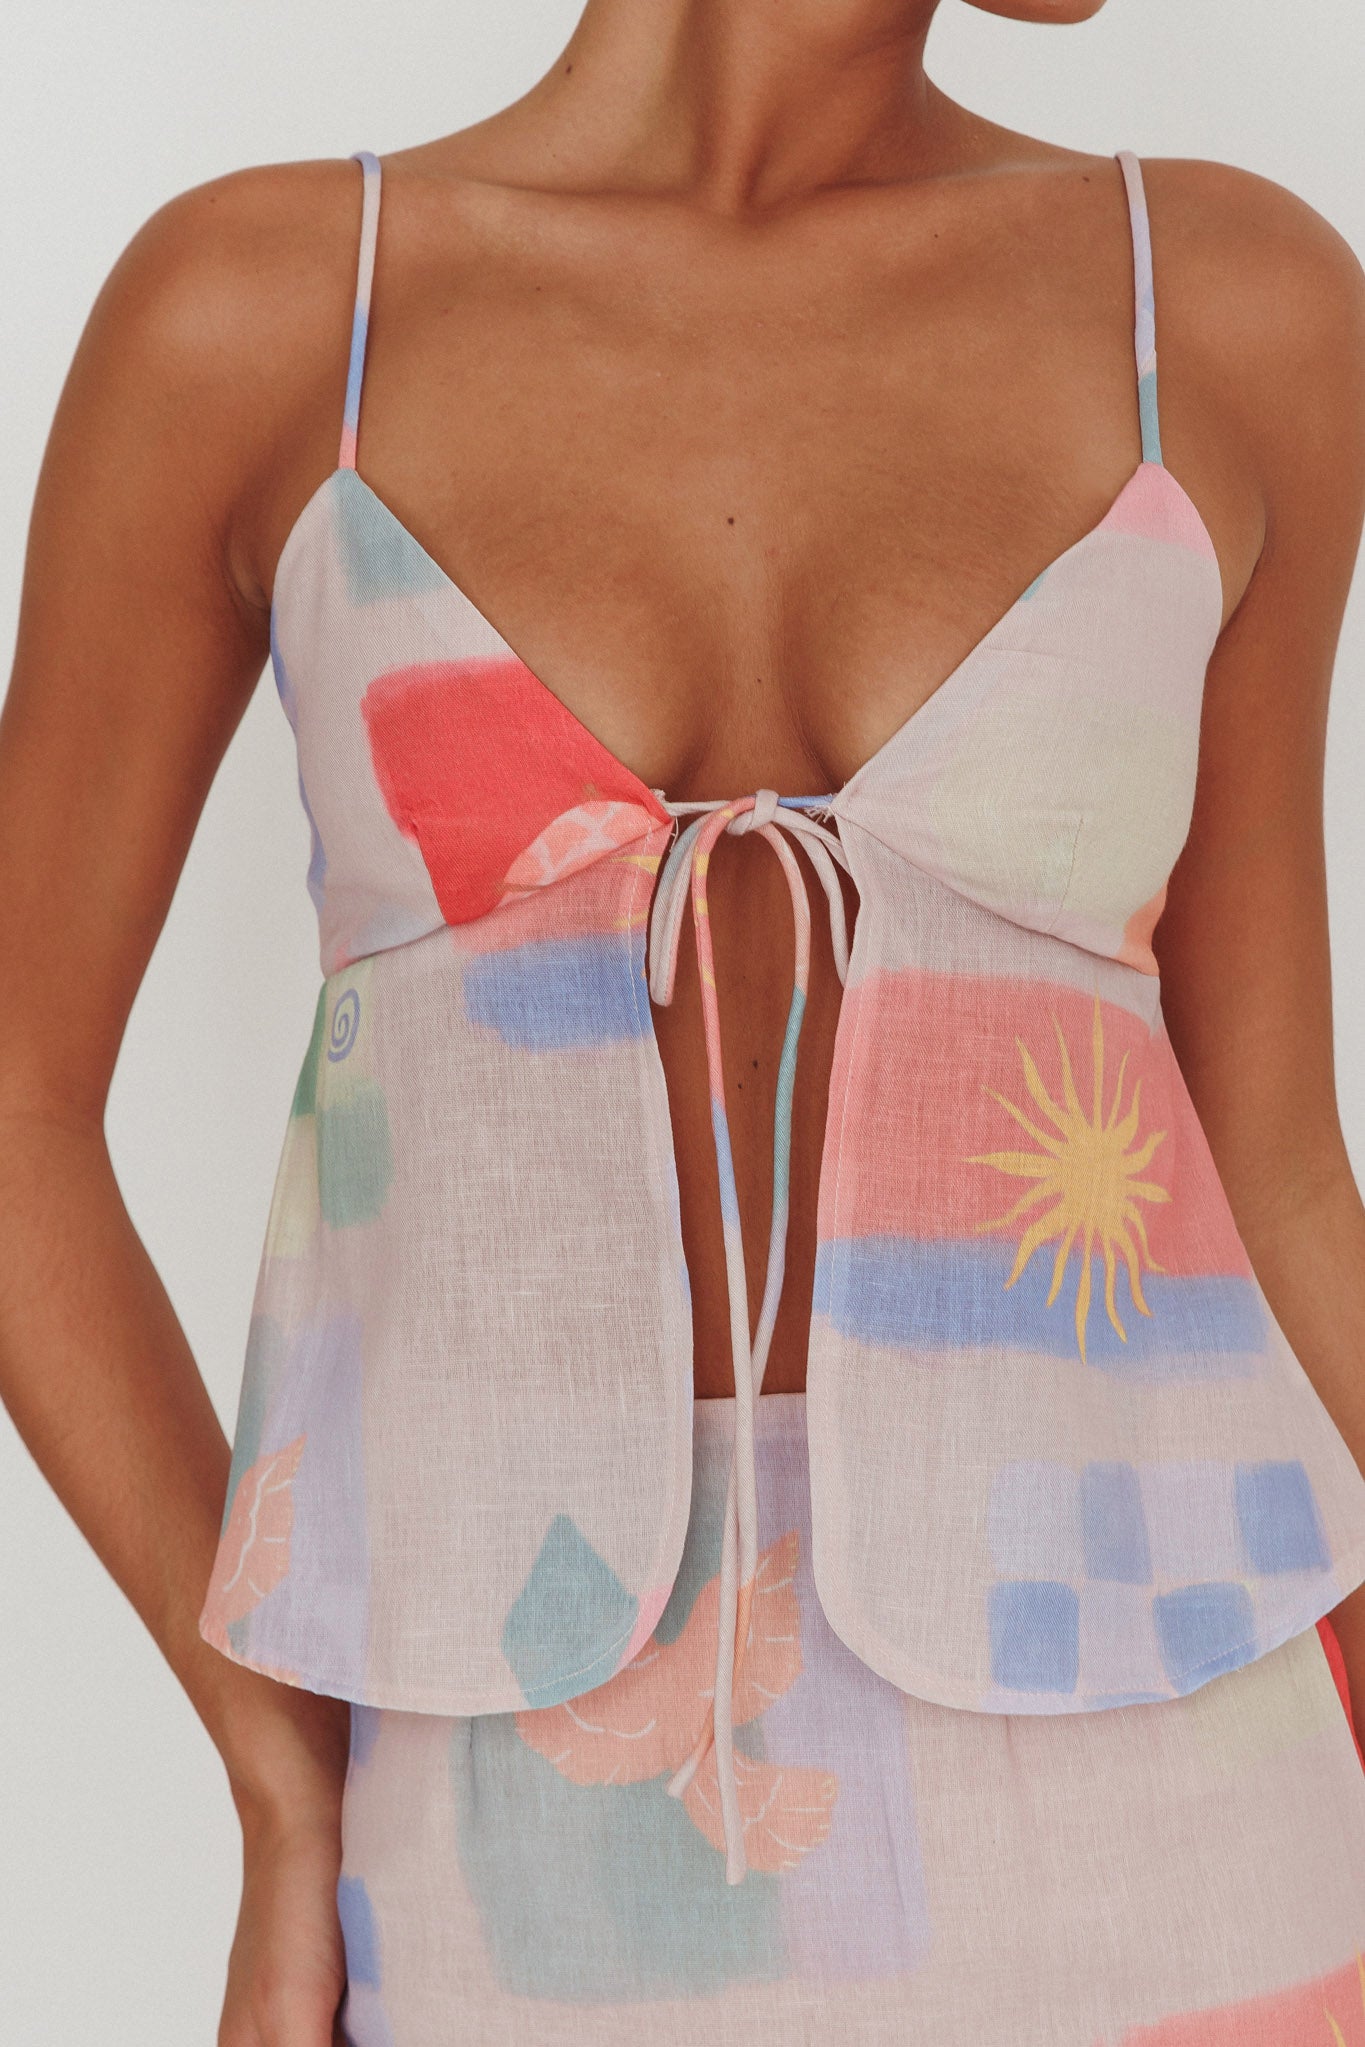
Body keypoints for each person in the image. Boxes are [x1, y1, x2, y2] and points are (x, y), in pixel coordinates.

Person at [4, 0, 1365, 2040]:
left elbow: (1275, 1164)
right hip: (518, 1793)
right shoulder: (272, 314)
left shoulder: (1227, 306)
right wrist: (279, 1776)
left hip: (1184, 1748)